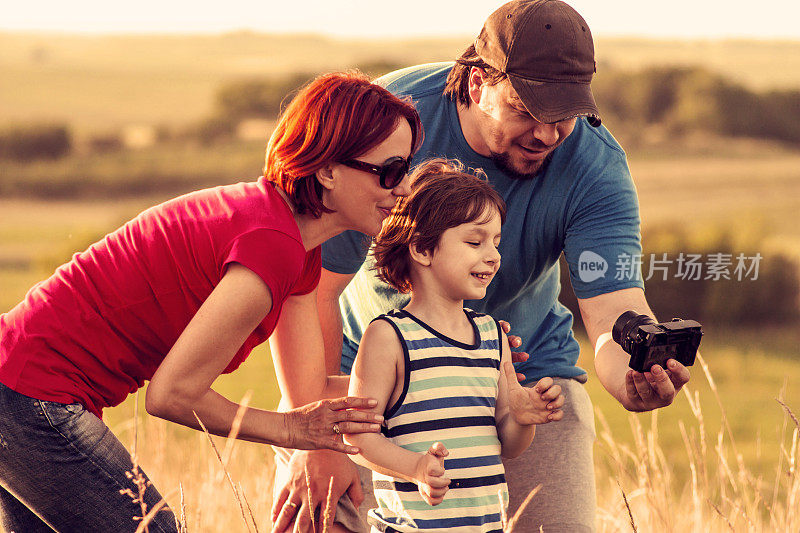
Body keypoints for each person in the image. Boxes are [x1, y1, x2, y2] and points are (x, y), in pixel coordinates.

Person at [272, 1, 694, 532]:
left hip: (526, 374)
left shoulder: (595, 166)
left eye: (563, 116)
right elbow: (311, 291)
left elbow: (613, 308)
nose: (546, 134)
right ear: (476, 83)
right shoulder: (391, 126)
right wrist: (317, 435)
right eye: (525, 110)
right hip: (365, 378)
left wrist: (631, 377)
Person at [0, 71, 422, 532]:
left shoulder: (296, 248)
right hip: (30, 393)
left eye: (408, 170)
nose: (403, 188)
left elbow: (315, 385)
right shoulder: (271, 244)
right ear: (327, 170)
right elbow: (173, 395)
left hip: (23, 390)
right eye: (391, 171)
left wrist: (442, 362)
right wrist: (290, 431)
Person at [344, 159, 566, 532]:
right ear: (422, 249)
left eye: (496, 242)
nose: (493, 255)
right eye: (475, 241)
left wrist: (523, 419)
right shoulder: (388, 337)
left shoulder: (493, 336)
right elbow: (357, 435)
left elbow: (506, 443)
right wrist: (414, 467)